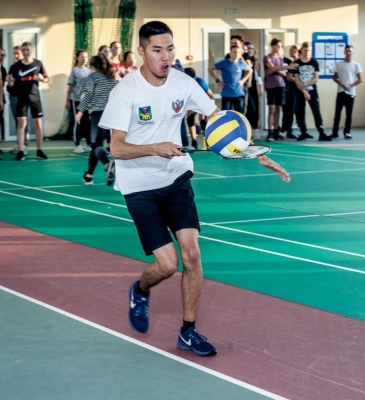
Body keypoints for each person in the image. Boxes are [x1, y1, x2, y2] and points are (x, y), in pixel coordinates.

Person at [99, 20, 290, 357]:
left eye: (170, 49)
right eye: (157, 50)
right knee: (167, 265)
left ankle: (188, 331)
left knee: (191, 254)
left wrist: (255, 153)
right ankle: (141, 290)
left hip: (176, 177)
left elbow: (221, 123)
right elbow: (116, 148)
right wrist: (155, 147)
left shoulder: (184, 83)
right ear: (142, 52)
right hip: (139, 186)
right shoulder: (125, 91)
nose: (166, 56)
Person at [75, 55, 118, 185]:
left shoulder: (93, 77)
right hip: (113, 116)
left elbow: (88, 94)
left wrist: (80, 112)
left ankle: (107, 164)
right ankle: (89, 176)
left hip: (98, 115)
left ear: (93, 66)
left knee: (96, 145)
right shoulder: (113, 78)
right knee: (97, 145)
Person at [7, 41, 50, 161]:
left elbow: (47, 78)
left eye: (27, 49)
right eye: (23, 50)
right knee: (21, 123)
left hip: (35, 97)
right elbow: (11, 84)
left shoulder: (38, 63)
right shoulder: (16, 66)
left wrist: (42, 79)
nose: (25, 52)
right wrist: (10, 81)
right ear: (21, 51)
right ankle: (21, 151)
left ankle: (39, 151)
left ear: (31, 50)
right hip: (22, 98)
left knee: (38, 123)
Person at [291, 42, 331, 141]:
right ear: (301, 50)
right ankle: (303, 132)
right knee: (300, 112)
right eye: (305, 50)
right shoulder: (297, 63)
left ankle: (321, 132)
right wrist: (304, 91)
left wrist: (306, 84)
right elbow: (296, 80)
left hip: (312, 90)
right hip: (300, 91)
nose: (307, 52)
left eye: (309, 51)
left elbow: (315, 79)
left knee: (316, 110)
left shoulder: (314, 62)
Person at [331, 45, 363, 139]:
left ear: (353, 53)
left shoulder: (356, 65)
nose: (348, 53)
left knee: (349, 114)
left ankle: (347, 132)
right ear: (344, 52)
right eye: (347, 51)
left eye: (350, 51)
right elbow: (334, 77)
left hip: (351, 92)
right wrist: (342, 84)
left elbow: (360, 79)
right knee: (337, 113)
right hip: (341, 91)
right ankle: (335, 132)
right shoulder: (339, 64)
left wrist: (350, 86)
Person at [263, 39, 292, 141]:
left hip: (281, 85)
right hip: (271, 86)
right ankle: (270, 132)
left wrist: (276, 69)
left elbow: (283, 73)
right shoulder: (267, 57)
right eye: (278, 46)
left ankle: (276, 131)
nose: (279, 48)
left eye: (280, 46)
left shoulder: (280, 58)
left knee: (278, 109)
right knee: (271, 109)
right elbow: (269, 70)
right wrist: (277, 69)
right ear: (272, 46)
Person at [209, 45, 252, 113]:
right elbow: (210, 68)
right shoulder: (224, 63)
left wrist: (243, 81)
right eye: (234, 52)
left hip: (239, 94)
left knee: (239, 115)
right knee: (226, 115)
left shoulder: (241, 63)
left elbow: (250, 70)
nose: (236, 54)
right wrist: (217, 80)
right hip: (227, 94)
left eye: (238, 52)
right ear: (230, 53)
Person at [7, 46, 33, 155]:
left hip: (24, 97)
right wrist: (10, 82)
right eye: (14, 53)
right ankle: (19, 144)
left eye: (18, 53)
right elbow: (10, 85)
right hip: (13, 96)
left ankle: (24, 145)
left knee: (23, 121)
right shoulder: (13, 67)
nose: (16, 55)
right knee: (17, 121)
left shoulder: (28, 66)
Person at [66, 50, 91, 153]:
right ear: (77, 58)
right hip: (75, 100)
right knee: (77, 122)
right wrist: (67, 100)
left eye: (86, 57)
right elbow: (70, 86)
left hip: (86, 101)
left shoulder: (89, 71)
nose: (84, 59)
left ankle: (89, 144)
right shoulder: (74, 71)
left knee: (88, 123)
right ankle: (77, 145)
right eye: (82, 57)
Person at [184, 67, 214, 148]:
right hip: (192, 102)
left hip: (203, 102)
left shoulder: (201, 83)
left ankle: (208, 142)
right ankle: (194, 142)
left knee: (203, 121)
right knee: (190, 119)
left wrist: (204, 111)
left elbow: (211, 96)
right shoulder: (184, 83)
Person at [244, 41, 263, 140]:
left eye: (251, 48)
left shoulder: (255, 60)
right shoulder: (243, 59)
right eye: (248, 48)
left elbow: (257, 74)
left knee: (255, 109)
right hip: (246, 86)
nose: (249, 50)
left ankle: (254, 130)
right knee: (248, 109)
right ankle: (247, 131)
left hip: (254, 87)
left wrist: (260, 86)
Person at [282, 44, 299, 139]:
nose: (292, 52)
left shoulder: (299, 62)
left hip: (297, 89)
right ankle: (285, 129)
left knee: (294, 110)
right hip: (288, 88)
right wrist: (299, 81)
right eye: (291, 51)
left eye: (294, 51)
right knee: (287, 110)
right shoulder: (289, 62)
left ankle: (295, 129)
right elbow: (289, 77)